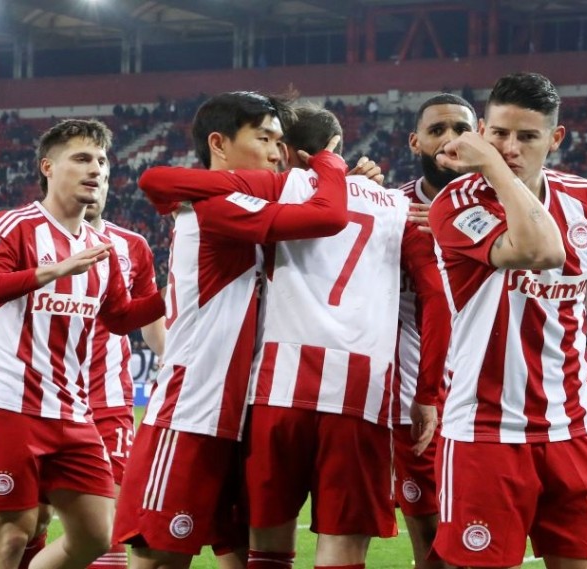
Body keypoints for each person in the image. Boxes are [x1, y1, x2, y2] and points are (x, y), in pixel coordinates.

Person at [115, 91, 350, 569]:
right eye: (263, 139)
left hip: (242, 415)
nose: (276, 153)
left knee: (247, 557)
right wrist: (331, 165)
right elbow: (328, 215)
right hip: (193, 412)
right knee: (159, 558)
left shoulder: (236, 205)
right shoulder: (217, 209)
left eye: (281, 142)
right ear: (219, 143)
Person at [427, 72, 587, 569]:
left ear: (555, 138)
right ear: (480, 132)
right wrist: (495, 169)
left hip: (572, 427)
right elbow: (541, 249)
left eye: (527, 136)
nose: (510, 148)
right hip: (485, 432)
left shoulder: (586, 199)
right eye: (499, 134)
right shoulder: (457, 204)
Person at [0, 118, 166, 569]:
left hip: (72, 410)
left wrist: (178, 291)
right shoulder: (12, 225)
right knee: (11, 537)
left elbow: (119, 318)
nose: (96, 169)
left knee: (97, 534)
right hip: (8, 401)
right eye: (82, 159)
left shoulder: (101, 247)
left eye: (102, 161)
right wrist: (53, 271)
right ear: (48, 167)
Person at [240, 105, 432, 569]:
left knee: (267, 546)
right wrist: (427, 393)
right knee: (342, 549)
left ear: (287, 151)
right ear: (337, 146)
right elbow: (437, 300)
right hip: (361, 393)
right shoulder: (397, 206)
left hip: (278, 385)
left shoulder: (276, 191)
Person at [18, 163, 169, 569]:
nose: (95, 185)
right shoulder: (33, 237)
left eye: (102, 177)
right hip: (42, 395)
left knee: (108, 518)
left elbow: (152, 329)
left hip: (108, 398)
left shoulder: (132, 245)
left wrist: (175, 360)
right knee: (34, 520)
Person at [394, 92, 477, 569]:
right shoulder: (392, 208)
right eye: (437, 130)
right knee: (428, 541)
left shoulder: (507, 203)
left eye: (461, 129)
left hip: (491, 396)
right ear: (415, 141)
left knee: (482, 542)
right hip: (416, 391)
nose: (449, 139)